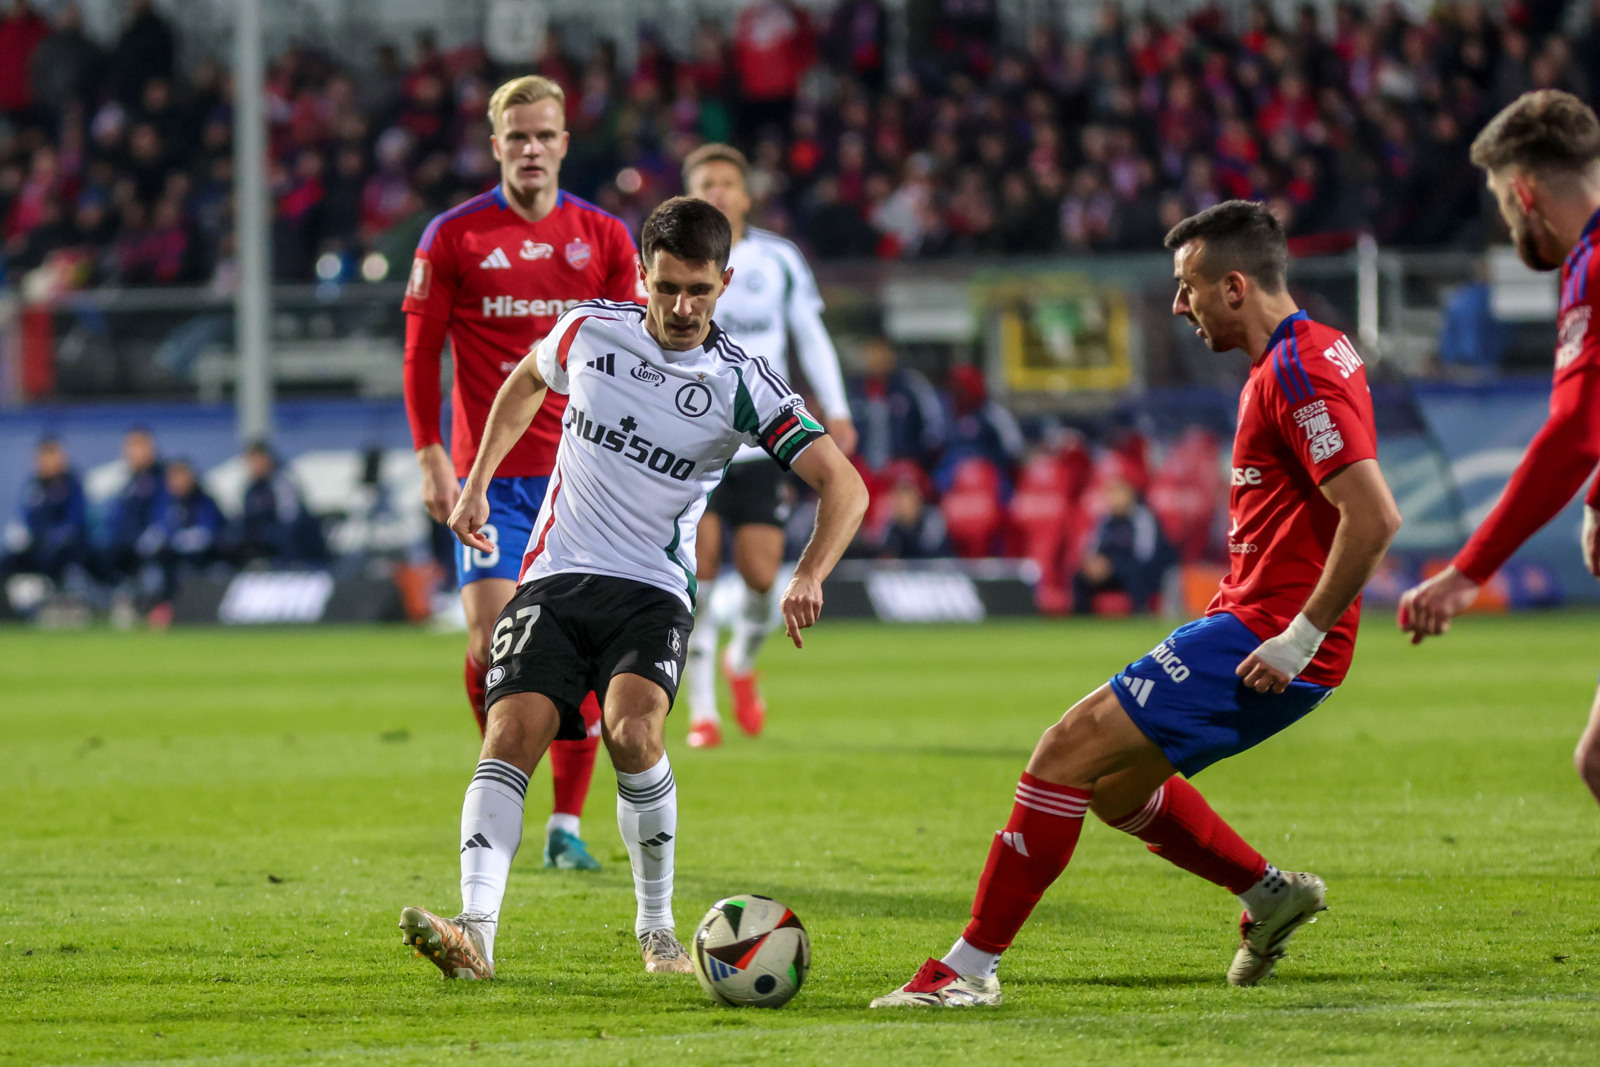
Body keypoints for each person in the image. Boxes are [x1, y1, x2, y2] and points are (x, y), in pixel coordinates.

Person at [871, 200, 1401, 1007]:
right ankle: (1267, 894)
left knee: (1062, 752)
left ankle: (968, 968)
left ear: (1234, 285)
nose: (1180, 306)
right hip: (1255, 618)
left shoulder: (1299, 368)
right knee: (1115, 787)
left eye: (1188, 287)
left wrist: (1300, 634)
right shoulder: (1302, 355)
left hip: (1271, 633)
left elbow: (1374, 517)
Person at [398, 196, 868, 980]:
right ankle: (475, 930)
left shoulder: (742, 383)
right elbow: (521, 381)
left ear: (725, 281)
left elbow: (844, 485)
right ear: (642, 273)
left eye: (700, 291)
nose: (683, 308)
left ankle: (657, 931)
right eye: (667, 287)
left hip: (652, 589)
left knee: (633, 732)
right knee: (509, 730)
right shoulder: (590, 330)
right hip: (554, 576)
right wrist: (476, 480)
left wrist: (810, 570)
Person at [401, 75, 642, 872]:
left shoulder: (605, 238)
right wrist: (432, 452)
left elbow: (635, 356)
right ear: (496, 143)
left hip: (583, 485)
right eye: (517, 137)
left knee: (580, 653)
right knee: (490, 641)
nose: (531, 149)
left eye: (545, 135)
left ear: (565, 142)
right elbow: (419, 353)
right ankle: (507, 778)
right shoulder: (453, 236)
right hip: (491, 481)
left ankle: (564, 825)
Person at [1398, 91, 1600, 806]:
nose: (1506, 218)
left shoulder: (1592, 265)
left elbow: (1575, 432)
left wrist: (1465, 571)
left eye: (1500, 199)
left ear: (1522, 190)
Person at [679, 142, 857, 749]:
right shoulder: (672, 260)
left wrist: (836, 409)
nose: (719, 192)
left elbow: (810, 335)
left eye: (728, 182)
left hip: (762, 441)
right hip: (694, 440)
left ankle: (742, 663)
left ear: (747, 193)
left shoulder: (778, 260)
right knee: (696, 572)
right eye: (707, 182)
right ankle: (703, 712)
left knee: (760, 579)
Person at [1072, 476, 1176, 614]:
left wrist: (1113, 565)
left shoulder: (1142, 517)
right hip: (1110, 570)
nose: (1114, 500)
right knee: (1080, 577)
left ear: (1129, 496)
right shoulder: (1105, 520)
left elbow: (1145, 554)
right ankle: (1082, 617)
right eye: (1110, 495)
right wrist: (1094, 564)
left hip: (1140, 569)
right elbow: (1093, 548)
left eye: (1118, 495)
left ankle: (1140, 613)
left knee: (1134, 575)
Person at [1, 437, 88, 588]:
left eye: (51, 455)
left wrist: (47, 538)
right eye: (42, 456)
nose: (46, 461)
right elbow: (25, 518)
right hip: (36, 545)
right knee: (7, 562)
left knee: (53, 556)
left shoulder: (72, 485)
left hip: (64, 548)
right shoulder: (33, 486)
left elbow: (73, 525)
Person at [143, 458, 224, 611]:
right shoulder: (165, 503)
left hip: (199, 561)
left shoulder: (204, 502)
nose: (177, 482)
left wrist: (176, 541)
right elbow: (157, 530)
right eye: (173, 477)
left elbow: (208, 534)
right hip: (168, 562)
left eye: (181, 476)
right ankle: (154, 607)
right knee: (152, 570)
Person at [95, 427, 165, 590]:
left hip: (149, 547)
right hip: (123, 547)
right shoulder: (128, 482)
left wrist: (153, 536)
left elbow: (166, 514)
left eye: (137, 445)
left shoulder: (162, 479)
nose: (132, 452)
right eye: (129, 447)